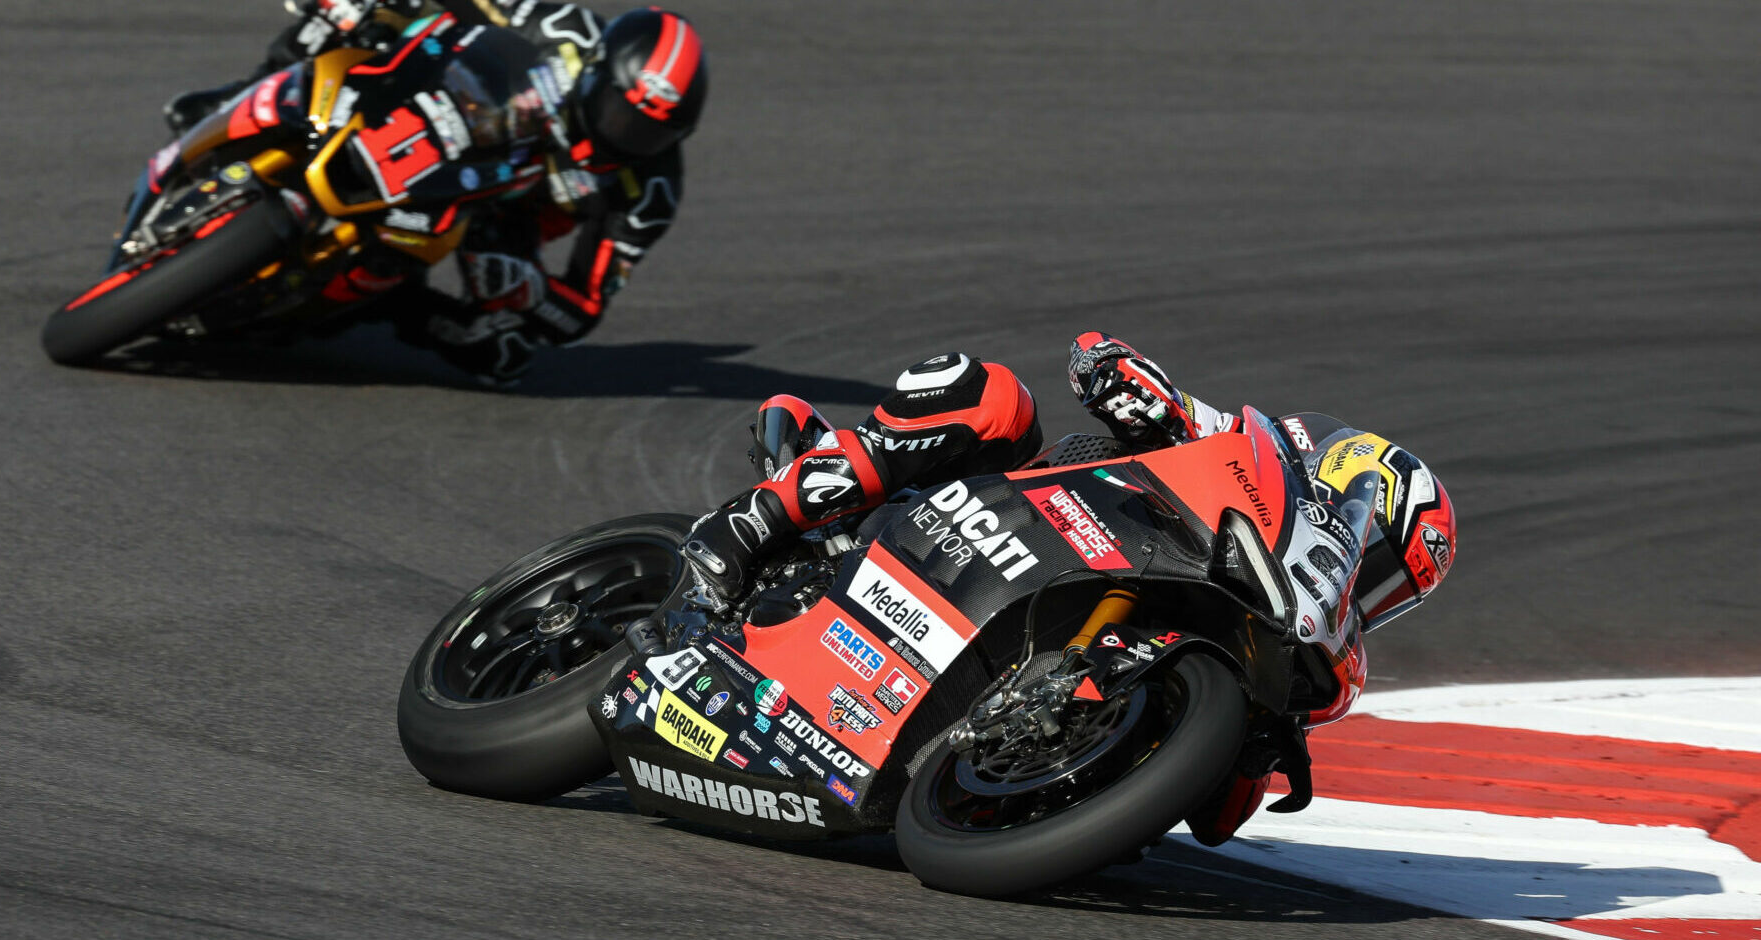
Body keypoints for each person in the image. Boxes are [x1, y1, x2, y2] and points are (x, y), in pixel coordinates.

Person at [682, 332, 1457, 645]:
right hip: (986, 521)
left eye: (1389, 591)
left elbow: (1221, 816)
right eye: (1378, 560)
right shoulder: (1229, 445)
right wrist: (1132, 386)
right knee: (990, 396)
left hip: (1026, 633)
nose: (1365, 587)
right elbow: (1094, 354)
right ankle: (759, 521)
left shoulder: (1293, 638)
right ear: (1344, 486)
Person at [164, 1, 706, 387]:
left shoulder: (650, 189)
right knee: (340, 19)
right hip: (458, 114)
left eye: (646, 133)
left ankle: (382, 303)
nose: (622, 136)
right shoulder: (562, 29)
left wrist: (530, 292)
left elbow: (585, 305)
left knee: (501, 356)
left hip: (505, 217)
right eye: (617, 112)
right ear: (596, 75)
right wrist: (370, 10)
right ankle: (238, 100)